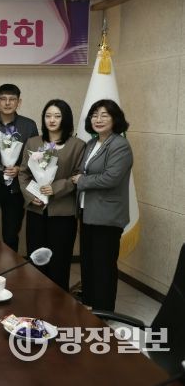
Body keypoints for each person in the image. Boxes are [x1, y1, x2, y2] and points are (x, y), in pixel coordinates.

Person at [71, 99, 133, 311]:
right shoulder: (91, 144)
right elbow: (82, 170)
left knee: (103, 266)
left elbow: (111, 178)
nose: (98, 119)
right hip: (87, 212)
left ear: (115, 119)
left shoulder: (119, 145)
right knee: (88, 263)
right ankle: (89, 305)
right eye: (94, 115)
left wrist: (82, 181)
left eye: (104, 115)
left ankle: (104, 311)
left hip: (107, 215)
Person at [18, 100, 85, 290]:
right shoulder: (33, 142)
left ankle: (58, 301)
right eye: (48, 116)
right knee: (36, 259)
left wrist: (56, 187)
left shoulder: (77, 145)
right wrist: (31, 196)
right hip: (36, 210)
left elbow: (79, 176)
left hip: (63, 212)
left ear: (66, 119)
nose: (52, 120)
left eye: (57, 116)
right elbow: (23, 174)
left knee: (59, 261)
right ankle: (35, 297)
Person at [0, 84, 38, 252]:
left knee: (11, 234)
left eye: (12, 99)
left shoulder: (29, 125)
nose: (7, 103)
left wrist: (20, 169)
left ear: (18, 102)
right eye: (3, 99)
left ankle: (10, 266)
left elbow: (36, 157)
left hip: (16, 188)